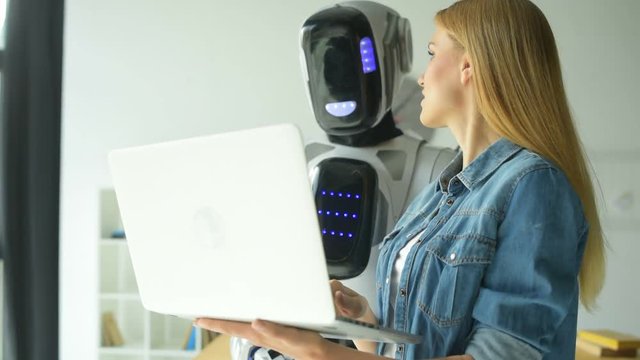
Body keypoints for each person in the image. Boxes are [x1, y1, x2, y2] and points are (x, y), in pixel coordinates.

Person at [194, 0, 606, 358]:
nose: (421, 77)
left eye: (432, 52)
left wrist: (318, 352)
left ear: (469, 65)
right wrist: (363, 321)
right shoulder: (439, 194)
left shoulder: (532, 186)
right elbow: (409, 349)